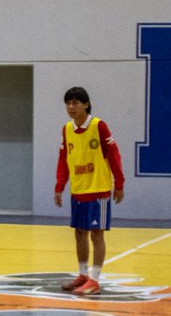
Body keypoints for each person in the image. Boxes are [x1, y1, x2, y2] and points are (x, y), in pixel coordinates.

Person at [53, 86, 125, 297]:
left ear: (86, 104)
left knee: (97, 234)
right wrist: (60, 186)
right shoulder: (66, 129)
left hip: (99, 189)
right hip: (78, 190)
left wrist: (119, 183)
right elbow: (63, 160)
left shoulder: (99, 126)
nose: (71, 106)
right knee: (79, 233)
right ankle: (83, 274)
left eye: (75, 102)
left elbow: (114, 154)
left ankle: (95, 280)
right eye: (68, 103)